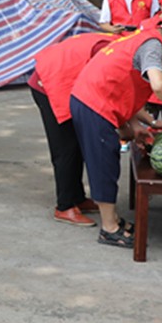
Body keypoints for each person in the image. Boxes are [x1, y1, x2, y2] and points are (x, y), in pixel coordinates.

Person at [69, 14, 162, 247]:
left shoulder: (141, 39)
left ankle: (113, 220)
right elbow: (159, 85)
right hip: (94, 102)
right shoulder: (153, 46)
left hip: (93, 98)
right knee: (104, 163)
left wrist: (148, 123)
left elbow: (126, 87)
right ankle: (109, 229)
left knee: (107, 159)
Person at [29, 32, 112, 227]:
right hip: (50, 83)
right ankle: (64, 206)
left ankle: (77, 197)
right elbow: (103, 90)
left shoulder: (120, 46)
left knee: (77, 142)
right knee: (65, 147)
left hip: (65, 79)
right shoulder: (113, 52)